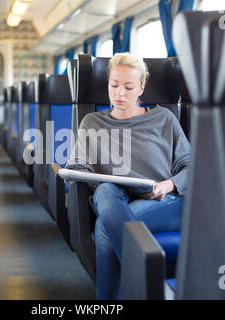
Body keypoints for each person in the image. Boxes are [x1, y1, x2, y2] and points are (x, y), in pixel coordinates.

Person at [65, 53, 190, 299]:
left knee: (104, 226)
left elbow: (191, 165)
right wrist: (72, 172)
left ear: (142, 87)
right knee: (104, 191)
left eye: (129, 87)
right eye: (114, 85)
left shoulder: (164, 118)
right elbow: (79, 166)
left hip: (163, 201)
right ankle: (147, 285)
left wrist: (167, 185)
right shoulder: (92, 122)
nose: (119, 93)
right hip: (114, 198)